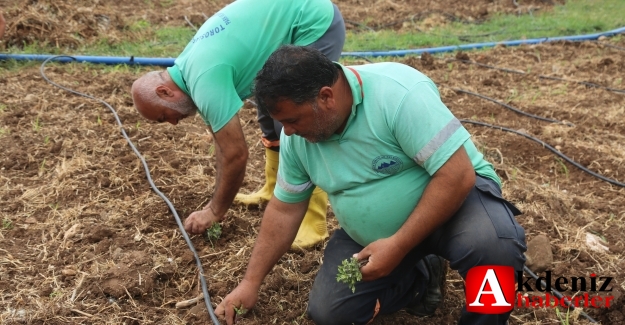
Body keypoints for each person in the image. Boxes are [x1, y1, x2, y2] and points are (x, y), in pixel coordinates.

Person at [215, 45, 527, 325]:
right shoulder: (296, 139)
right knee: (331, 313)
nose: (289, 132)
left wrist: (400, 244)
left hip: (456, 203)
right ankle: (420, 279)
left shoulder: (398, 93)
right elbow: (284, 210)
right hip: (376, 236)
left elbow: (457, 175)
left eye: (293, 120)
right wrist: (250, 283)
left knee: (494, 246)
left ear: (326, 97)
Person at [131, 0, 345, 249]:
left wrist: (214, 211)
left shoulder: (203, 77)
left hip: (313, 21)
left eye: (163, 116)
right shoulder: (190, 69)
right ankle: (273, 187)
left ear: (164, 92)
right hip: (288, 20)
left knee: (297, 121)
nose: (172, 123)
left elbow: (234, 154)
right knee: (269, 112)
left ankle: (313, 221)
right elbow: (222, 144)